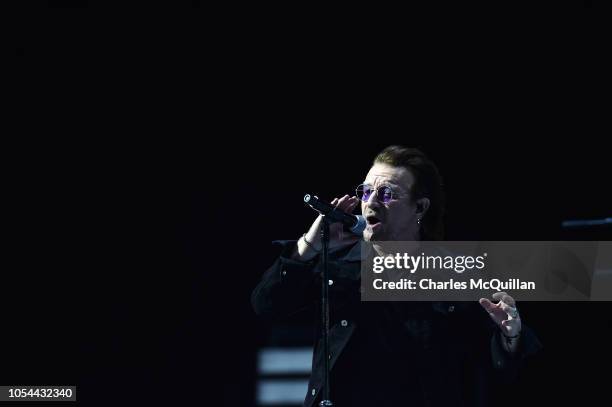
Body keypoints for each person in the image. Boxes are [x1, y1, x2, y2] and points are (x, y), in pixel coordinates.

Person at [252, 146, 542, 406]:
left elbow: (502, 367)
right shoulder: (339, 264)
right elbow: (267, 305)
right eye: (365, 192)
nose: (370, 203)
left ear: (420, 207)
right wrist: (310, 245)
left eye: (387, 194)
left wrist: (510, 336)